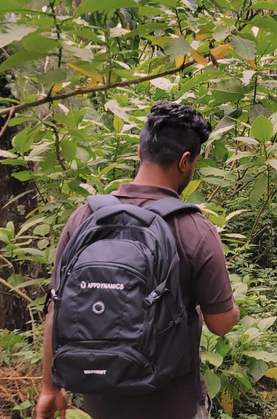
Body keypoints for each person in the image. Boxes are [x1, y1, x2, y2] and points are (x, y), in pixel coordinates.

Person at [36, 102, 240, 419]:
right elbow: (222, 323)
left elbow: (56, 309)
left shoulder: (84, 218)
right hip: (175, 405)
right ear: (186, 161)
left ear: (139, 150)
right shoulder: (194, 229)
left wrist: (49, 389)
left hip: (100, 402)